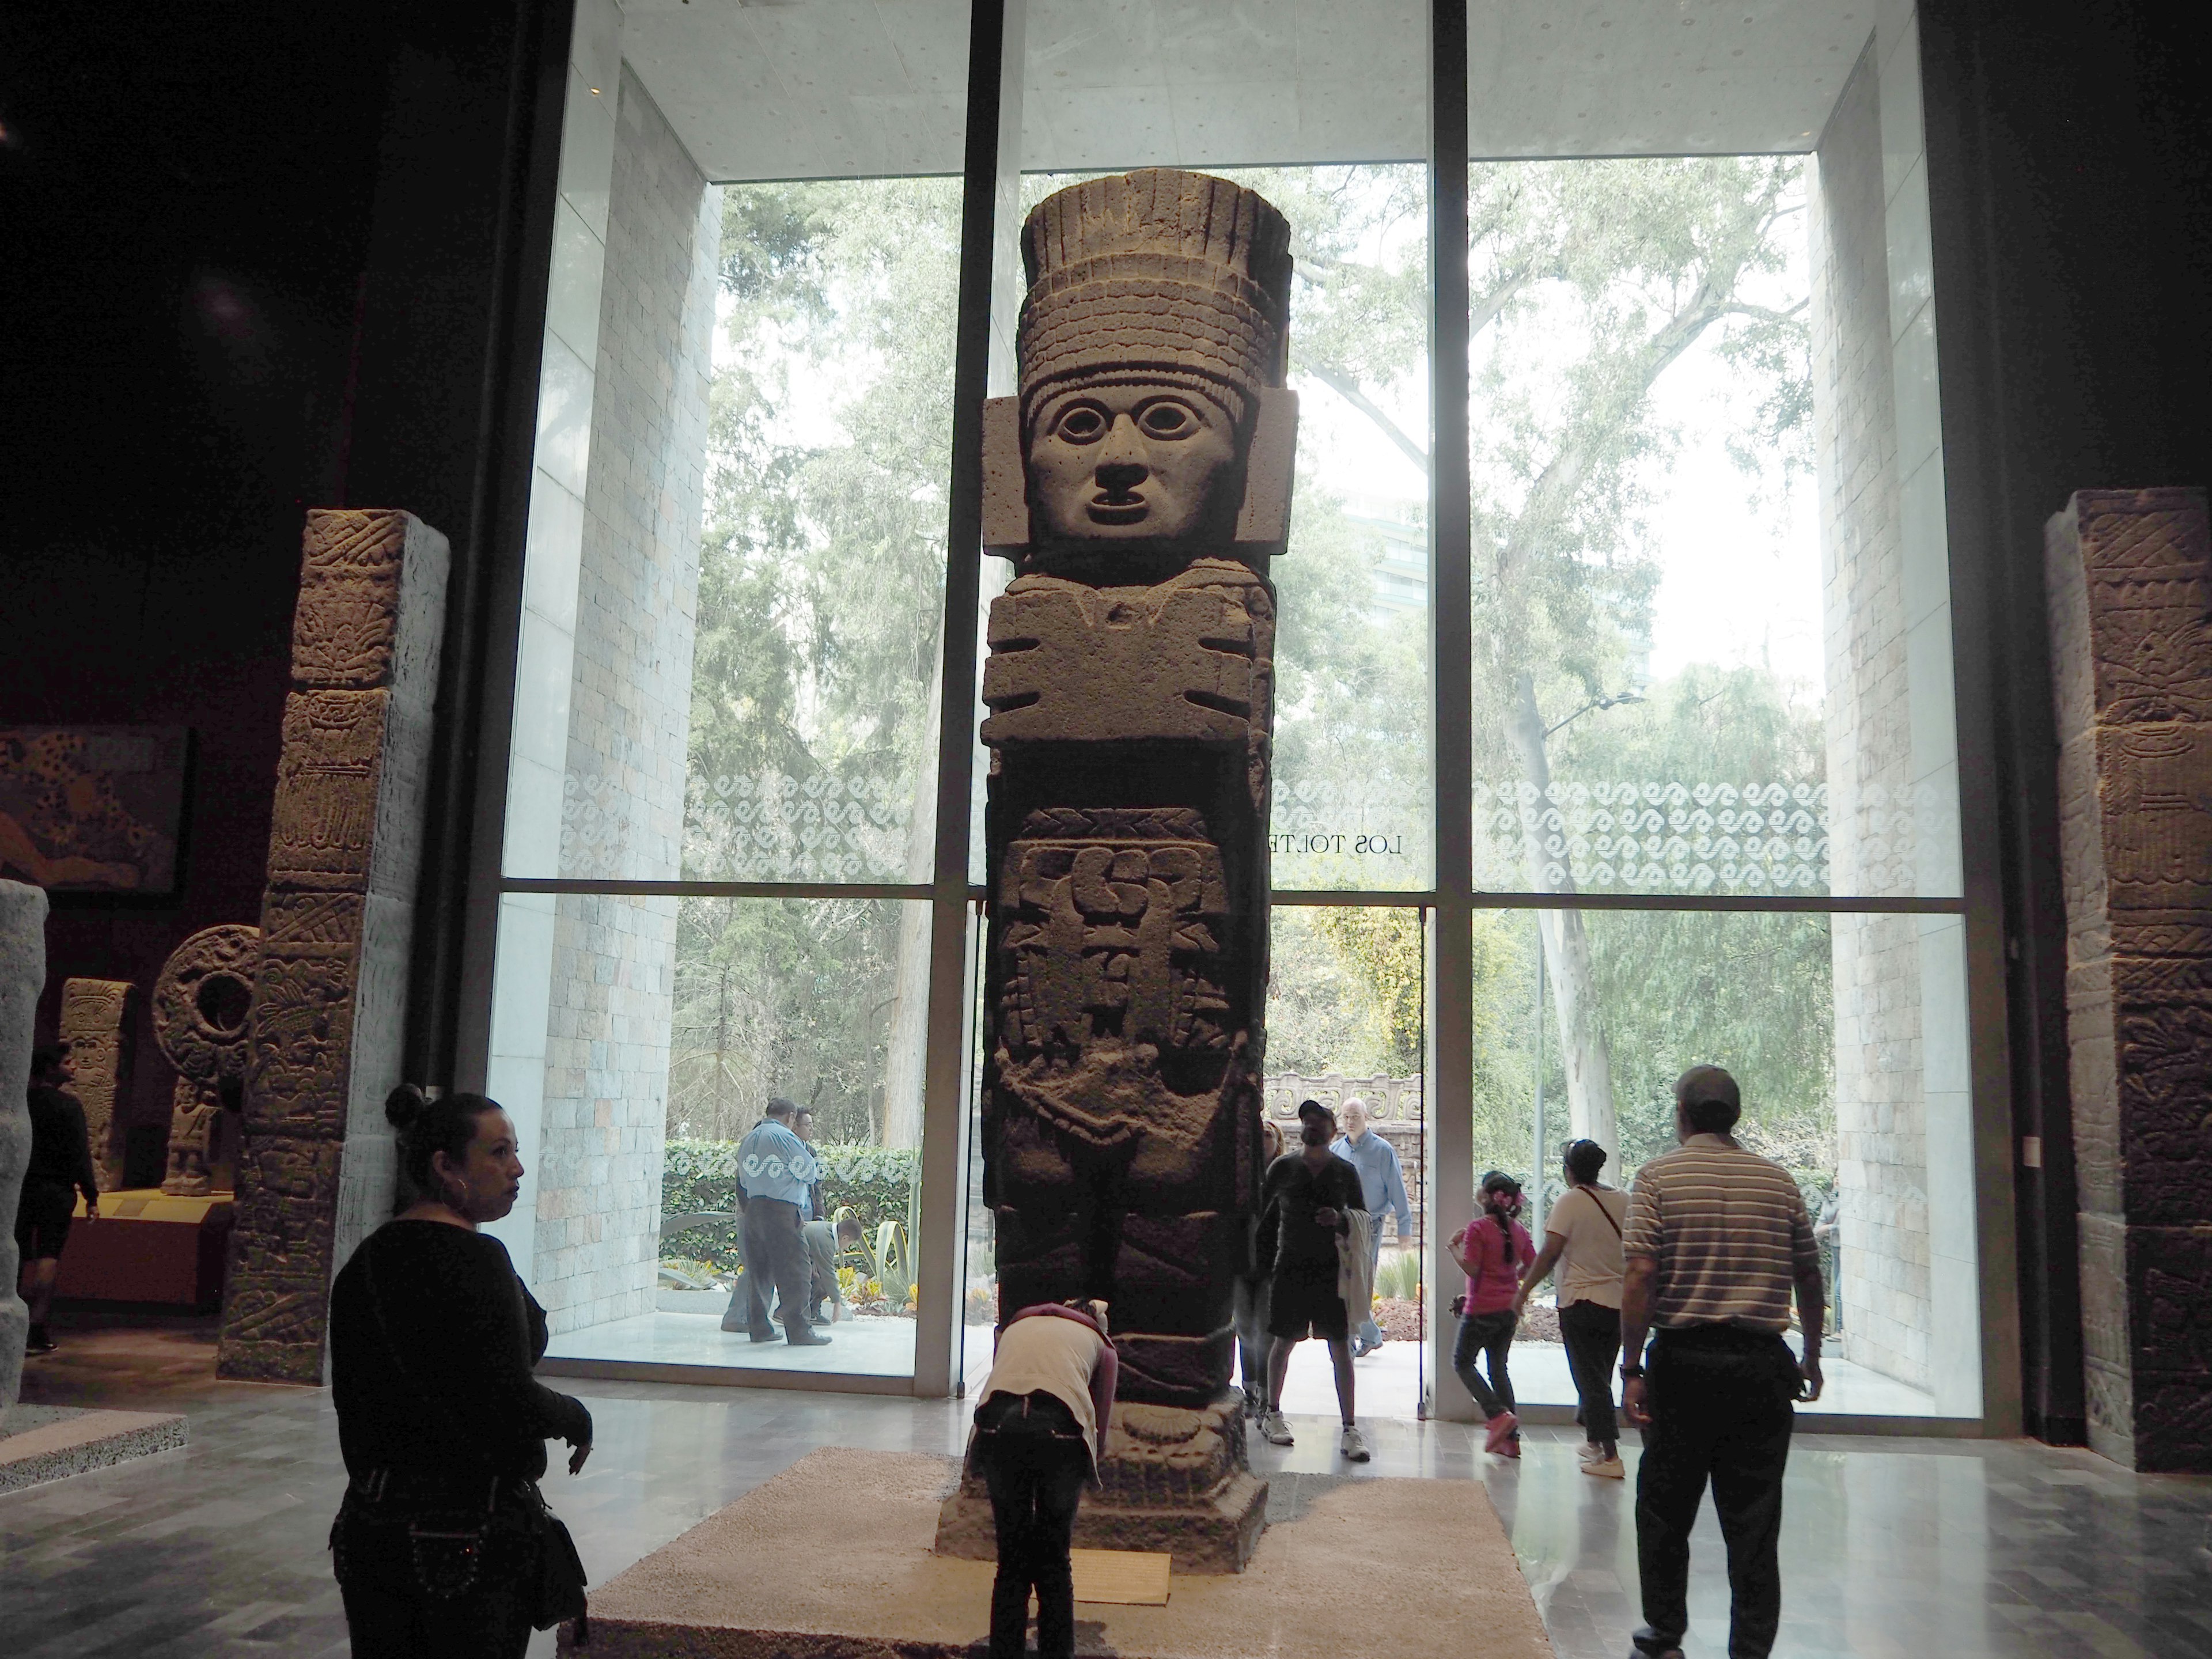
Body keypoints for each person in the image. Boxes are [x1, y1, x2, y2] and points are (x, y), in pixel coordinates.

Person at [329, 1086, 593, 1657]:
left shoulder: (367, 1260)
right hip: (469, 1539)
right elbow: (508, 1397)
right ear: (446, 1167)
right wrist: (574, 1415)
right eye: (498, 1153)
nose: (517, 1168)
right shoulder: (479, 1260)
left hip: (371, 1528)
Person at [1619, 1065, 1825, 1659]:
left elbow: (1639, 1273)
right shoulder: (1779, 1182)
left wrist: (1632, 1368)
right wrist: (1809, 1356)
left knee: (1663, 1507)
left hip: (1683, 1365)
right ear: (1735, 1115)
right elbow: (1808, 1274)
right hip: (1762, 1369)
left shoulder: (1657, 1178)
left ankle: (1663, 1635)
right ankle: (1751, 1650)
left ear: (1681, 1113)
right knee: (1755, 1520)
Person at [968, 1298, 1118, 1659]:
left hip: (996, 1429)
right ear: (1096, 1321)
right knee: (1053, 1557)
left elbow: (1003, 1377)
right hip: (1060, 1431)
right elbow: (1100, 1419)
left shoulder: (1014, 1328)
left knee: (1011, 1558)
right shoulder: (1101, 1344)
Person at [1253, 1100, 1371, 1463]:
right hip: (1289, 1267)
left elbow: (1363, 1215)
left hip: (1331, 1272)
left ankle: (1350, 1427)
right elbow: (1263, 1216)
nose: (1312, 1127)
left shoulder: (1345, 1172)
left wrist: (1339, 1218)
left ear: (1333, 1131)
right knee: (1283, 1342)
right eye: (1307, 1121)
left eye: (1320, 1121)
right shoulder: (1282, 1168)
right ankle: (1272, 1413)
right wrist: (1259, 1267)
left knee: (1341, 1348)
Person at [1513, 1138, 1630, 1477]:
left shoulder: (1570, 1201)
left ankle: (1611, 1457)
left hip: (1581, 1303)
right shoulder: (1624, 1198)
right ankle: (1595, 1442)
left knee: (1590, 1380)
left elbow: (1549, 1253)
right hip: (1617, 1304)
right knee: (1600, 1376)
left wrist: (1524, 1291)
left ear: (1569, 1170)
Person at [14, 1044, 99, 1355]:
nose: (75, 1066)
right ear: (51, 1069)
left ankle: (11, 1324)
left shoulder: (21, 1102)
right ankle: (36, 1327)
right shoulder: (68, 1107)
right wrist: (91, 1195)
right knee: (48, 1255)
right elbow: (80, 1156)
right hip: (57, 1190)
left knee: (18, 1255)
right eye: (68, 1062)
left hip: (22, 1188)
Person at [1449, 1171, 1533, 1456]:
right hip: (1508, 1311)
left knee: (1462, 1362)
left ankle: (1498, 1415)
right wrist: (1512, 1280)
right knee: (1498, 1368)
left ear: (1487, 1198)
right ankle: (1512, 1442)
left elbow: (1473, 1269)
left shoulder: (1478, 1229)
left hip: (1481, 1310)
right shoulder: (1520, 1231)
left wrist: (1453, 1249)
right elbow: (1532, 1265)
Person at [736, 1096, 828, 1346]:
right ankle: (799, 1331)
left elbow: (743, 1180)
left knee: (759, 1272)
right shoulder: (786, 1138)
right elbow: (809, 1172)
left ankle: (759, 1328)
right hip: (782, 1211)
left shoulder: (749, 1139)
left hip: (754, 1211)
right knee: (795, 1271)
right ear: (790, 1117)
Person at [1330, 1095, 1411, 1357]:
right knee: (1345, 1280)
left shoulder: (1382, 1150)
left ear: (1366, 1118)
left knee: (1361, 1279)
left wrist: (1404, 1229)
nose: (1351, 1121)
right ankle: (1368, 1335)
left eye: (1356, 1116)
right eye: (1347, 1117)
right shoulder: (1336, 1151)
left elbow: (1398, 1191)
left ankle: (1352, 1341)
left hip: (1371, 1224)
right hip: (1343, 1224)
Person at [1233, 1118, 1285, 1413]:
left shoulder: (1283, 1177)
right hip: (1243, 1262)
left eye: (1269, 1134)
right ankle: (1249, 1390)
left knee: (1265, 1332)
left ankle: (1267, 1394)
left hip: (1269, 1264)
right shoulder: (1240, 1176)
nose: (1264, 1139)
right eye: (1260, 1134)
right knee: (1243, 1329)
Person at [800, 1214, 864, 1325]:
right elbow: (828, 1274)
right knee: (823, 1281)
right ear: (845, 1238)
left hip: (796, 1259)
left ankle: (812, 1313)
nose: (848, 1247)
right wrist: (837, 1303)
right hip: (787, 1261)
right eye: (850, 1244)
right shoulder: (826, 1241)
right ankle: (784, 1313)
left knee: (818, 1278)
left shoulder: (827, 1228)